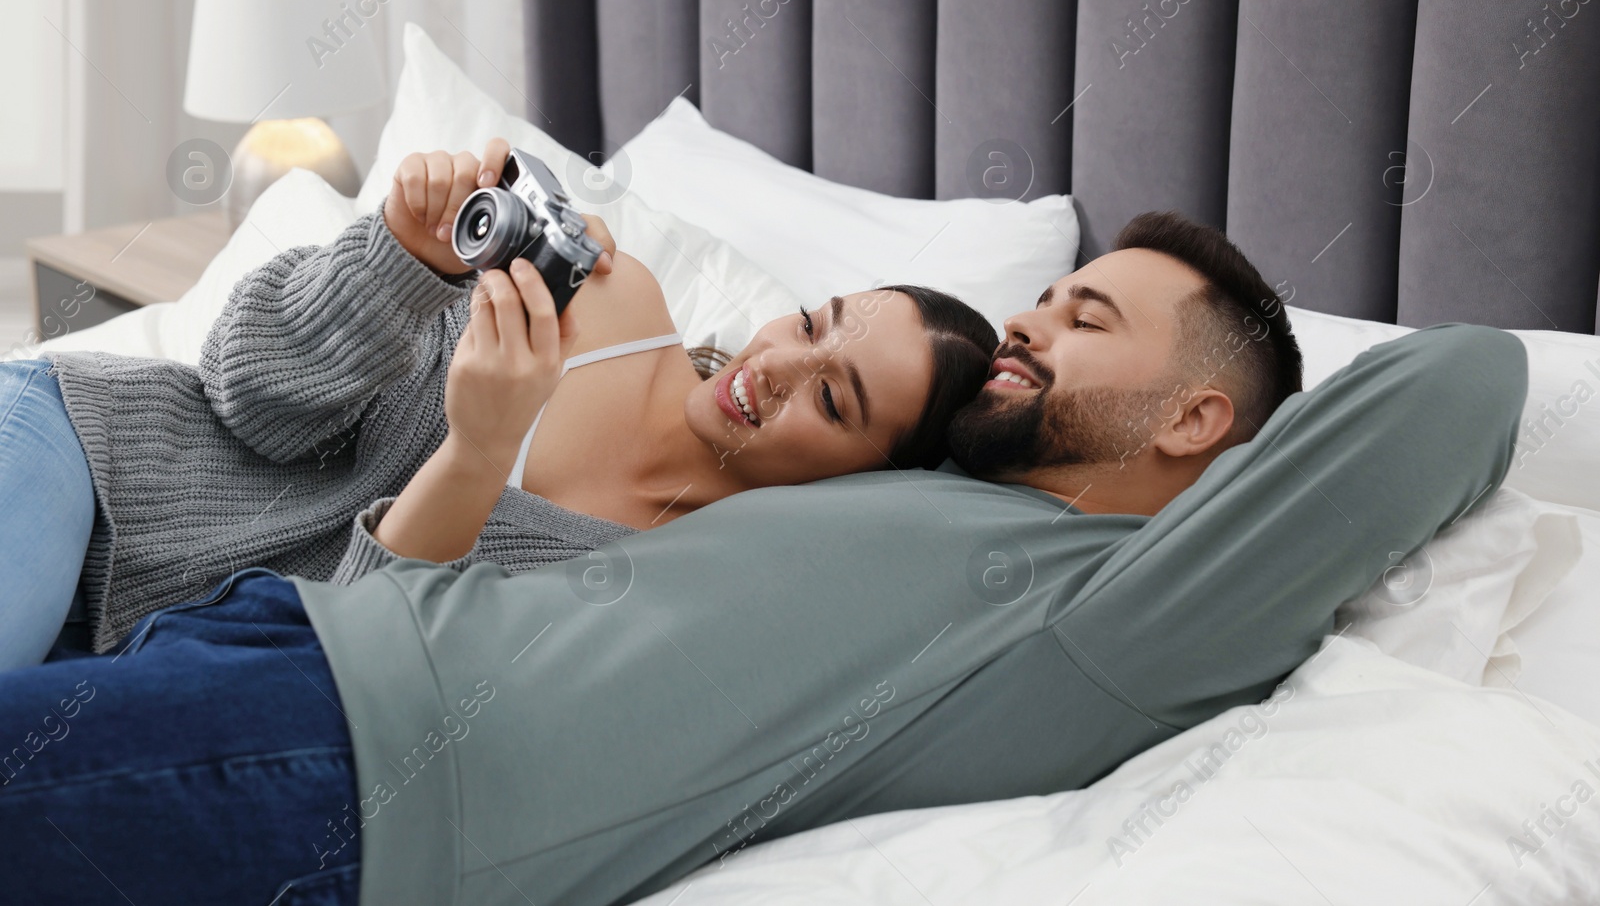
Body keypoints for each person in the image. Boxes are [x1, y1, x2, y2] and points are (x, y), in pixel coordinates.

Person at [0, 212, 1527, 906]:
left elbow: (1464, 378)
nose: (1032, 325)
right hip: (299, 644)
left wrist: (1259, 429)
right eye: (1045, 293)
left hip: (348, 770)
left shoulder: (1111, 608)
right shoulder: (926, 503)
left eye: (1087, 321)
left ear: (1198, 417)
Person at [0, 140, 998, 669]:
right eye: (811, 321)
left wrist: (475, 452)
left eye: (831, 395)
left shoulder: (675, 586)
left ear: (864, 481)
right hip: (89, 461)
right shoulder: (610, 297)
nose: (780, 363)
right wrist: (399, 258)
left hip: (139, 665)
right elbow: (250, 392)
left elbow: (338, 666)